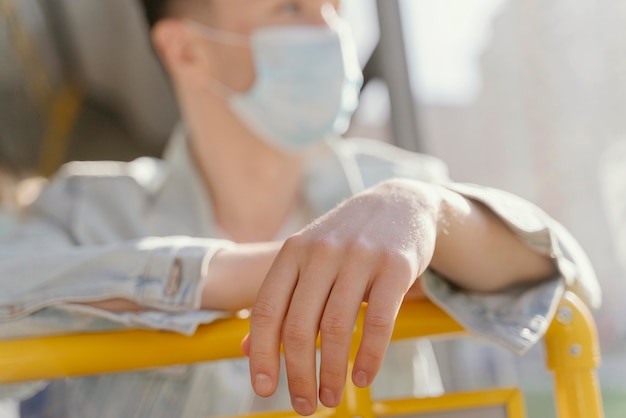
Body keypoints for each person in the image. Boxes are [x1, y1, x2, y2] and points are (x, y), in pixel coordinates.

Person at [0, 0, 601, 416]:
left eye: (334, 8)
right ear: (186, 50)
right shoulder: (87, 208)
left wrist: (427, 213)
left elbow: (565, 281)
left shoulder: (397, 185)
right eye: (289, 8)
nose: (330, 32)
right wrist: (248, 273)